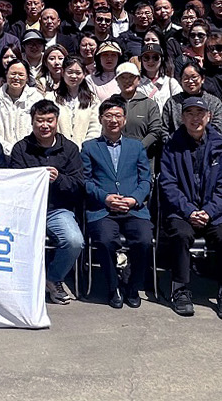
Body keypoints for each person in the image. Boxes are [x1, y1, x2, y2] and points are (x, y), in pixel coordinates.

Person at [158, 96, 222, 319]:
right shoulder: (172, 145)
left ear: (209, 116)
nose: (195, 118)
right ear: (182, 117)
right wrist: (189, 211)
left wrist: (209, 211)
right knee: (181, 234)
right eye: (190, 113)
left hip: (214, 211)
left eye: (200, 113)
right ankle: (180, 289)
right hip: (182, 210)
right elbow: (168, 184)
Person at [8, 100, 84, 305]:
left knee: (74, 241)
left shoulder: (69, 149)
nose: (45, 125)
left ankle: (53, 278)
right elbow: (13, 184)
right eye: (40, 120)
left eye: (49, 120)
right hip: (26, 210)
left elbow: (79, 185)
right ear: (32, 122)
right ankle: (17, 283)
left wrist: (59, 179)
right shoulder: (21, 148)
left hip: (57, 210)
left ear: (56, 121)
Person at [82, 96, 153, 308]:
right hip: (103, 209)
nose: (113, 120)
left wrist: (133, 199)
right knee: (105, 241)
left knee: (144, 240)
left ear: (124, 120)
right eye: (108, 116)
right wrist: (105, 198)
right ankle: (113, 287)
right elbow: (85, 181)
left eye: (118, 116)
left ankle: (132, 286)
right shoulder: (89, 147)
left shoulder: (136, 147)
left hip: (133, 209)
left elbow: (146, 180)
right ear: (100, 119)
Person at [0, 60, 44, 151]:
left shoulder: (36, 98)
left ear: (27, 77)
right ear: (6, 75)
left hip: (30, 151)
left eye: (21, 74)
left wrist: (23, 150)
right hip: (1, 153)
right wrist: (8, 148)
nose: (16, 77)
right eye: (13, 74)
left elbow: (40, 126)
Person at [49, 56, 101, 147]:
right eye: (70, 72)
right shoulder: (51, 98)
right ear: (62, 72)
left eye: (78, 73)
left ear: (84, 74)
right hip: (58, 150)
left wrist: (85, 147)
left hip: (85, 150)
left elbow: (95, 126)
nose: (74, 76)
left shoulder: (92, 100)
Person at [162, 63, 222, 133]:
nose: (190, 81)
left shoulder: (215, 103)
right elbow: (164, 130)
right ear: (180, 80)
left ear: (202, 79)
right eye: (186, 78)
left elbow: (218, 130)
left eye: (194, 77)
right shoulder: (172, 102)